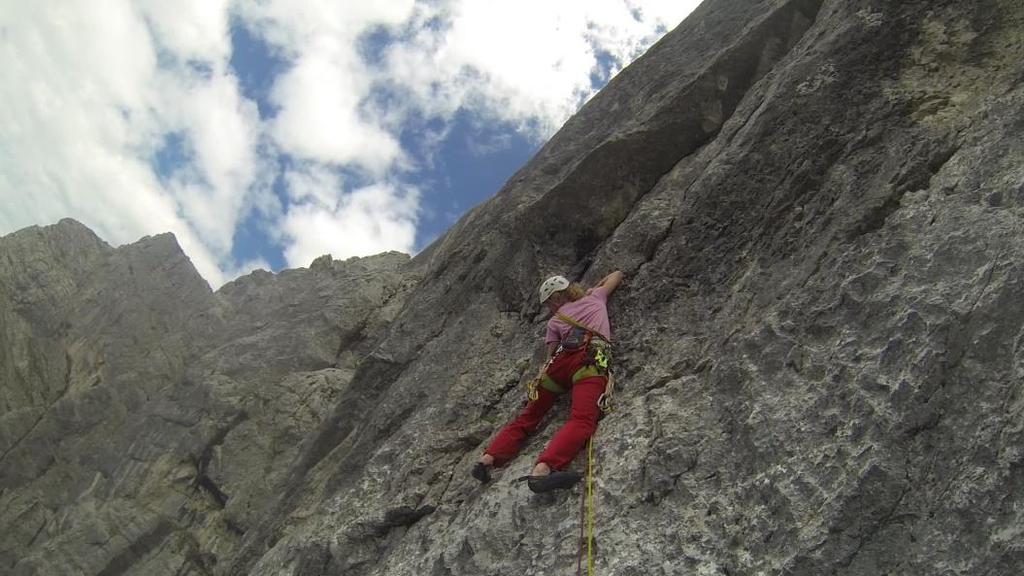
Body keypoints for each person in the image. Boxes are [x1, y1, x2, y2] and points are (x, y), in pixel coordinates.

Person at [472, 270, 624, 493]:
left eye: (549, 303)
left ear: (557, 298)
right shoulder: (595, 298)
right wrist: (595, 288)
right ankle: (544, 470)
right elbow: (618, 274)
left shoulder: (555, 321)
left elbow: (551, 353)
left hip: (557, 368)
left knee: (528, 417)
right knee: (582, 419)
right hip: (588, 361)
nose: (549, 309)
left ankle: (487, 459)